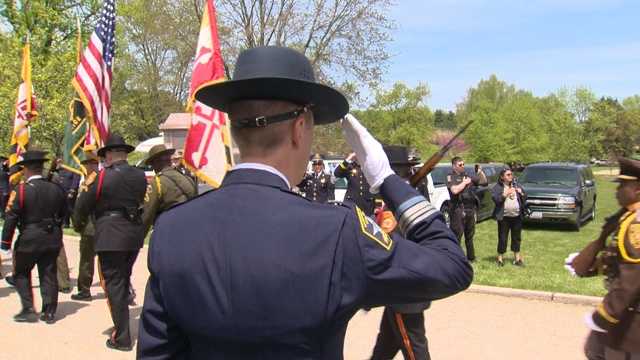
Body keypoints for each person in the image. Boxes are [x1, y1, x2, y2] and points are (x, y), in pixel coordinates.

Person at [137, 46, 473, 359]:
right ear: (300, 128)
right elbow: (451, 267)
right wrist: (387, 180)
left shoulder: (173, 229)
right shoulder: (337, 231)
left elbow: (158, 352)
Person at [74, 134, 147, 351]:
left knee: (113, 284)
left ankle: (121, 337)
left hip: (110, 234)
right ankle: (123, 316)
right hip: (133, 234)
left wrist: (79, 226)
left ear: (108, 154)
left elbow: (82, 206)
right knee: (122, 278)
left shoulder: (101, 177)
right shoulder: (140, 175)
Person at [566, 157, 640, 360]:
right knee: (594, 350)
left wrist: (605, 314)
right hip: (625, 313)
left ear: (638, 190)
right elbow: (620, 261)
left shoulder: (636, 224)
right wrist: (592, 266)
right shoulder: (626, 217)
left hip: (630, 318)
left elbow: (633, 277)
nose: (617, 190)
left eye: (623, 185)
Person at [371, 145, 432, 360]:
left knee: (414, 347)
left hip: (404, 288)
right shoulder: (412, 196)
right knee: (386, 344)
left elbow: (385, 240)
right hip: (403, 287)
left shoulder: (396, 203)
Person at [0, 150, 67, 324]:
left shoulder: (21, 191)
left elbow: (11, 217)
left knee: (21, 272)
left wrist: (5, 242)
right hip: (52, 236)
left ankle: (28, 309)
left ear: (26, 169)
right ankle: (49, 311)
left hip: (29, 237)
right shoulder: (56, 188)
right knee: (48, 273)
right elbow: (65, 213)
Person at [142, 144, 197, 236]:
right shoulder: (187, 178)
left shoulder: (157, 182)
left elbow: (147, 214)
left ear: (156, 163)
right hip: (191, 228)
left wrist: (139, 236)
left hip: (169, 230)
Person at [70, 155, 100, 301]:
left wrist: (77, 223)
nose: (86, 167)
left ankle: (84, 290)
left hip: (91, 226)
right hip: (103, 225)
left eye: (88, 164)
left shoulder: (91, 181)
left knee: (87, 260)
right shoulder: (102, 178)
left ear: (94, 165)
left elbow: (81, 206)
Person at [446, 157, 487, 261]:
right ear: (454, 166)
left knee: (470, 235)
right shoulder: (451, 176)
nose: (463, 166)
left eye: (464, 164)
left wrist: (480, 172)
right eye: (460, 164)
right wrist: (464, 183)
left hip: (470, 209)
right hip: (458, 209)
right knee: (457, 235)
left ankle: (471, 257)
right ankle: (455, 258)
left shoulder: (467, 176)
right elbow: (454, 190)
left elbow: (484, 182)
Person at [491, 168, 526, 266]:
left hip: (516, 216)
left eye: (511, 174)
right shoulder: (497, 187)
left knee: (516, 238)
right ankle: (500, 259)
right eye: (508, 175)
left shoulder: (516, 185)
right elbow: (496, 200)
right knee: (502, 238)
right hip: (504, 217)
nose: (511, 176)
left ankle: (517, 259)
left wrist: (521, 193)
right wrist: (505, 194)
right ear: (502, 177)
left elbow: (524, 197)